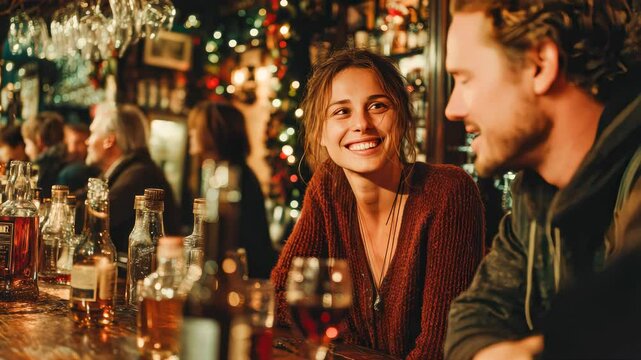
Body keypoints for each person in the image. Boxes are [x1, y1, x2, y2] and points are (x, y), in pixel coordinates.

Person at [443, 1, 641, 359]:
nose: (452, 108)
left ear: (540, 65)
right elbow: (475, 315)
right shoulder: (534, 195)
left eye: (465, 79)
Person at [271, 49, 485, 359]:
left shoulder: (448, 193)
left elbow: (438, 350)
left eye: (377, 106)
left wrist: (332, 334)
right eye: (341, 111)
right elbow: (281, 298)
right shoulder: (328, 187)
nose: (362, 123)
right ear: (320, 132)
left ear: (401, 118)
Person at [187, 100, 277, 279]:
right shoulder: (215, 173)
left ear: (212, 134)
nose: (191, 133)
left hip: (243, 280)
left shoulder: (231, 180)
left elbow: (235, 246)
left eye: (195, 127)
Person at [85, 103, 181, 253]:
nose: (88, 141)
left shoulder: (139, 175)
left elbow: (95, 222)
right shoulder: (123, 171)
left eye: (92, 133)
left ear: (109, 140)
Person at [21, 111, 68, 198]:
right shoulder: (64, 159)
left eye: (27, 144)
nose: (26, 150)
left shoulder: (43, 169)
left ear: (39, 141)